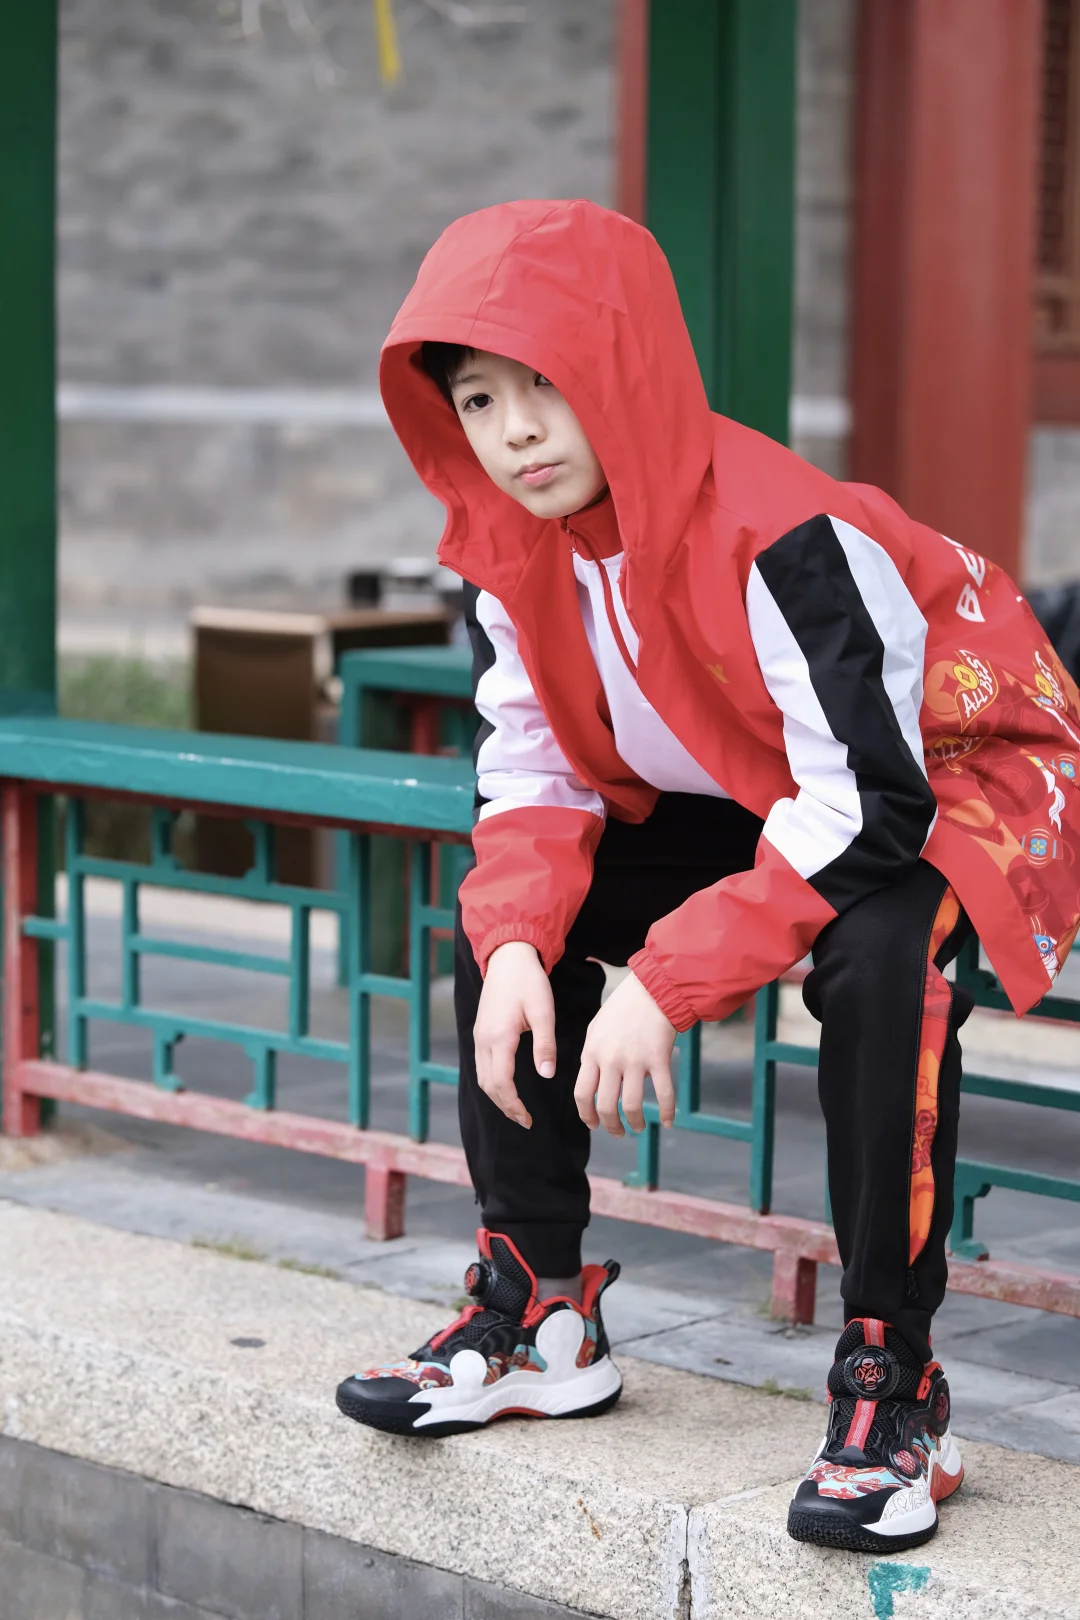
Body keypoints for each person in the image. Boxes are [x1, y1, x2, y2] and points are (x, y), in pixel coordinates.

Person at [336, 199, 1080, 1552]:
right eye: (481, 399)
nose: (515, 432)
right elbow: (533, 773)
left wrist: (666, 982)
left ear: (622, 365)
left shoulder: (788, 531)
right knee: (511, 932)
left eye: (548, 384)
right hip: (750, 785)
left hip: (933, 776)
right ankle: (539, 1309)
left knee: (881, 962)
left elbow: (869, 806)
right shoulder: (509, 546)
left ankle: (893, 1378)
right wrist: (519, 946)